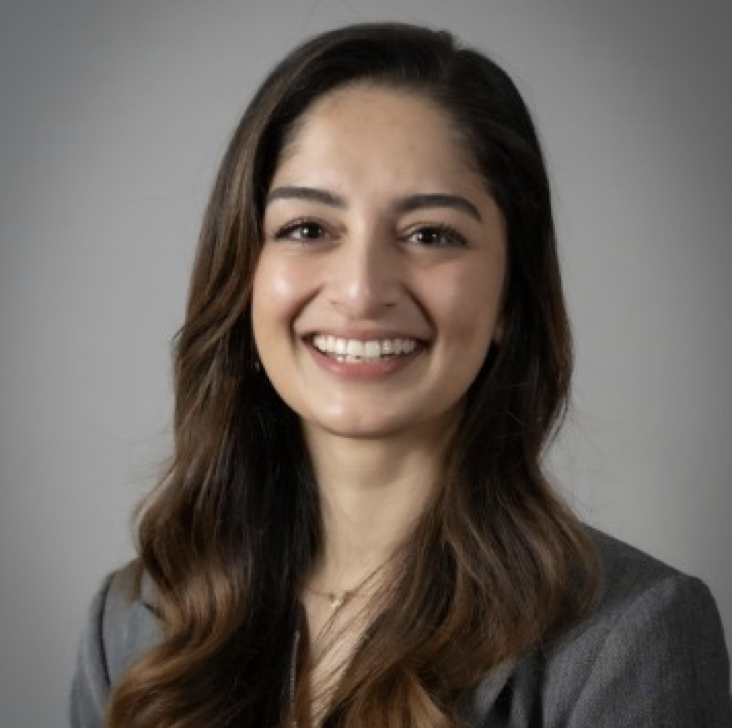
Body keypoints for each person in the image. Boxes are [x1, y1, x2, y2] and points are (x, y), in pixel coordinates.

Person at [70, 23, 731, 728]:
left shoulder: (633, 638)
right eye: (307, 228)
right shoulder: (130, 624)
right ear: (245, 271)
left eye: (430, 235)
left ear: (512, 293)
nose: (360, 290)